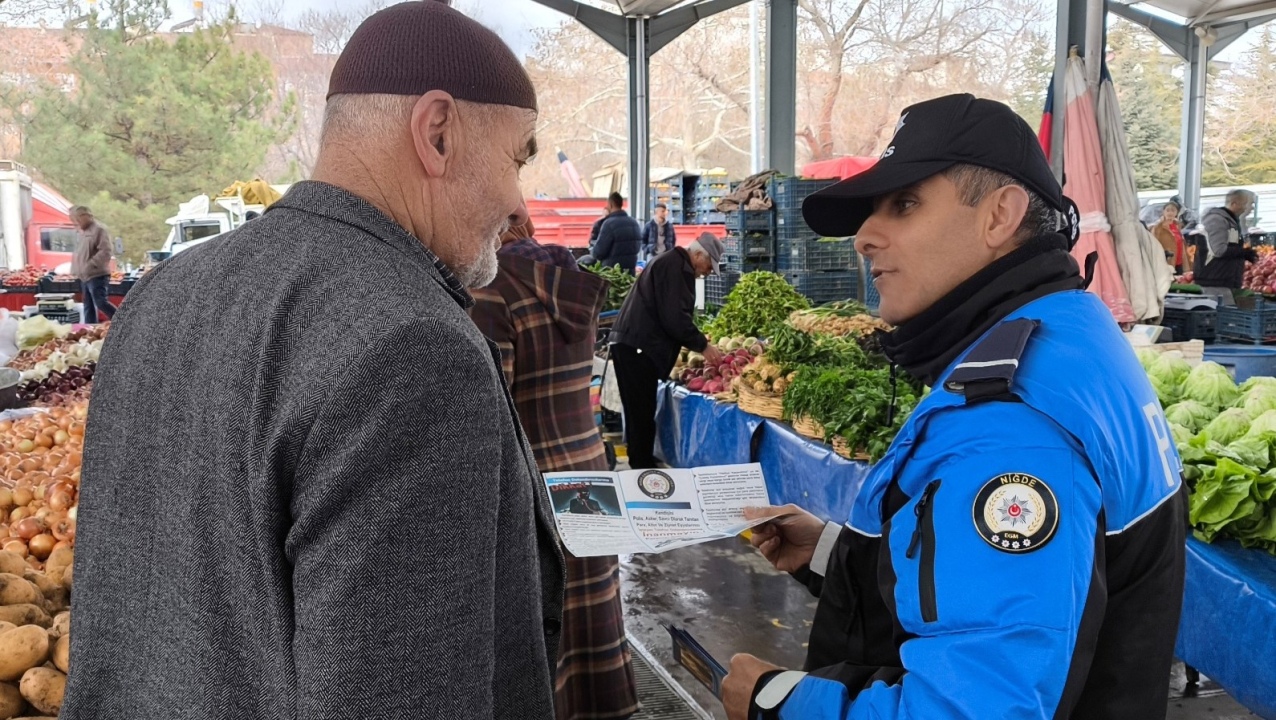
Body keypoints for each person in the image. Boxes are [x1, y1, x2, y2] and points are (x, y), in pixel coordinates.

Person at [64, 4, 565, 720]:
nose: (519, 205)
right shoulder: (413, 347)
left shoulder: (163, 292)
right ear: (439, 132)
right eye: (519, 157)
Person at [727, 94, 1186, 720]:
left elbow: (974, 709)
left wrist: (776, 702)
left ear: (1000, 215)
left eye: (905, 204)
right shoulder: (1073, 328)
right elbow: (1043, 596)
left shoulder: (1007, 422)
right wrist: (841, 555)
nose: (864, 237)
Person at [469, 217, 639, 720]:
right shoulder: (567, 280)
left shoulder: (493, 290)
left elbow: (490, 413)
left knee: (549, 626)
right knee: (594, 617)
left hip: (537, 483)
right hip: (587, 470)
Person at [608, 234, 725, 469]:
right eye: (708, 266)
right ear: (698, 254)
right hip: (638, 348)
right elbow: (675, 318)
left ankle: (640, 463)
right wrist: (703, 346)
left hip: (631, 344)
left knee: (637, 412)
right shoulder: (676, 268)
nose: (707, 272)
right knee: (641, 413)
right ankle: (642, 469)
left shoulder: (671, 261)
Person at [1195, 189, 1257, 306]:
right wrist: (1243, 253)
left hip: (1224, 282)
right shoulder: (1217, 220)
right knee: (1221, 319)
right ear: (1235, 203)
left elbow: (1230, 245)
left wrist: (1244, 254)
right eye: (1250, 203)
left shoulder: (1232, 221)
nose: (1251, 208)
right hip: (1215, 282)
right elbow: (1218, 250)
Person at [70, 205, 116, 323]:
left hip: (96, 274)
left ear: (86, 216)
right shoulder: (83, 232)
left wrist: (90, 265)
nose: (75, 221)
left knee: (100, 302)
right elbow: (80, 253)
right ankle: (89, 329)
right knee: (88, 306)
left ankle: (121, 321)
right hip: (85, 276)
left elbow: (106, 251)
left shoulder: (99, 230)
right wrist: (76, 269)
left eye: (77, 218)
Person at [592, 191, 642, 273]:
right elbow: (638, 246)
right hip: (630, 272)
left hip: (613, 273)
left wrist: (592, 249)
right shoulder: (634, 223)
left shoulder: (609, 224)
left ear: (610, 205)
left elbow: (598, 252)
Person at [1150, 200, 1186, 273]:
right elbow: (1153, 245)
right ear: (1163, 212)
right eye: (1168, 210)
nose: (1170, 213)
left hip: (1179, 262)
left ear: (1176, 213)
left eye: (1173, 210)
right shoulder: (1158, 227)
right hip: (1167, 263)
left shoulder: (1178, 225)